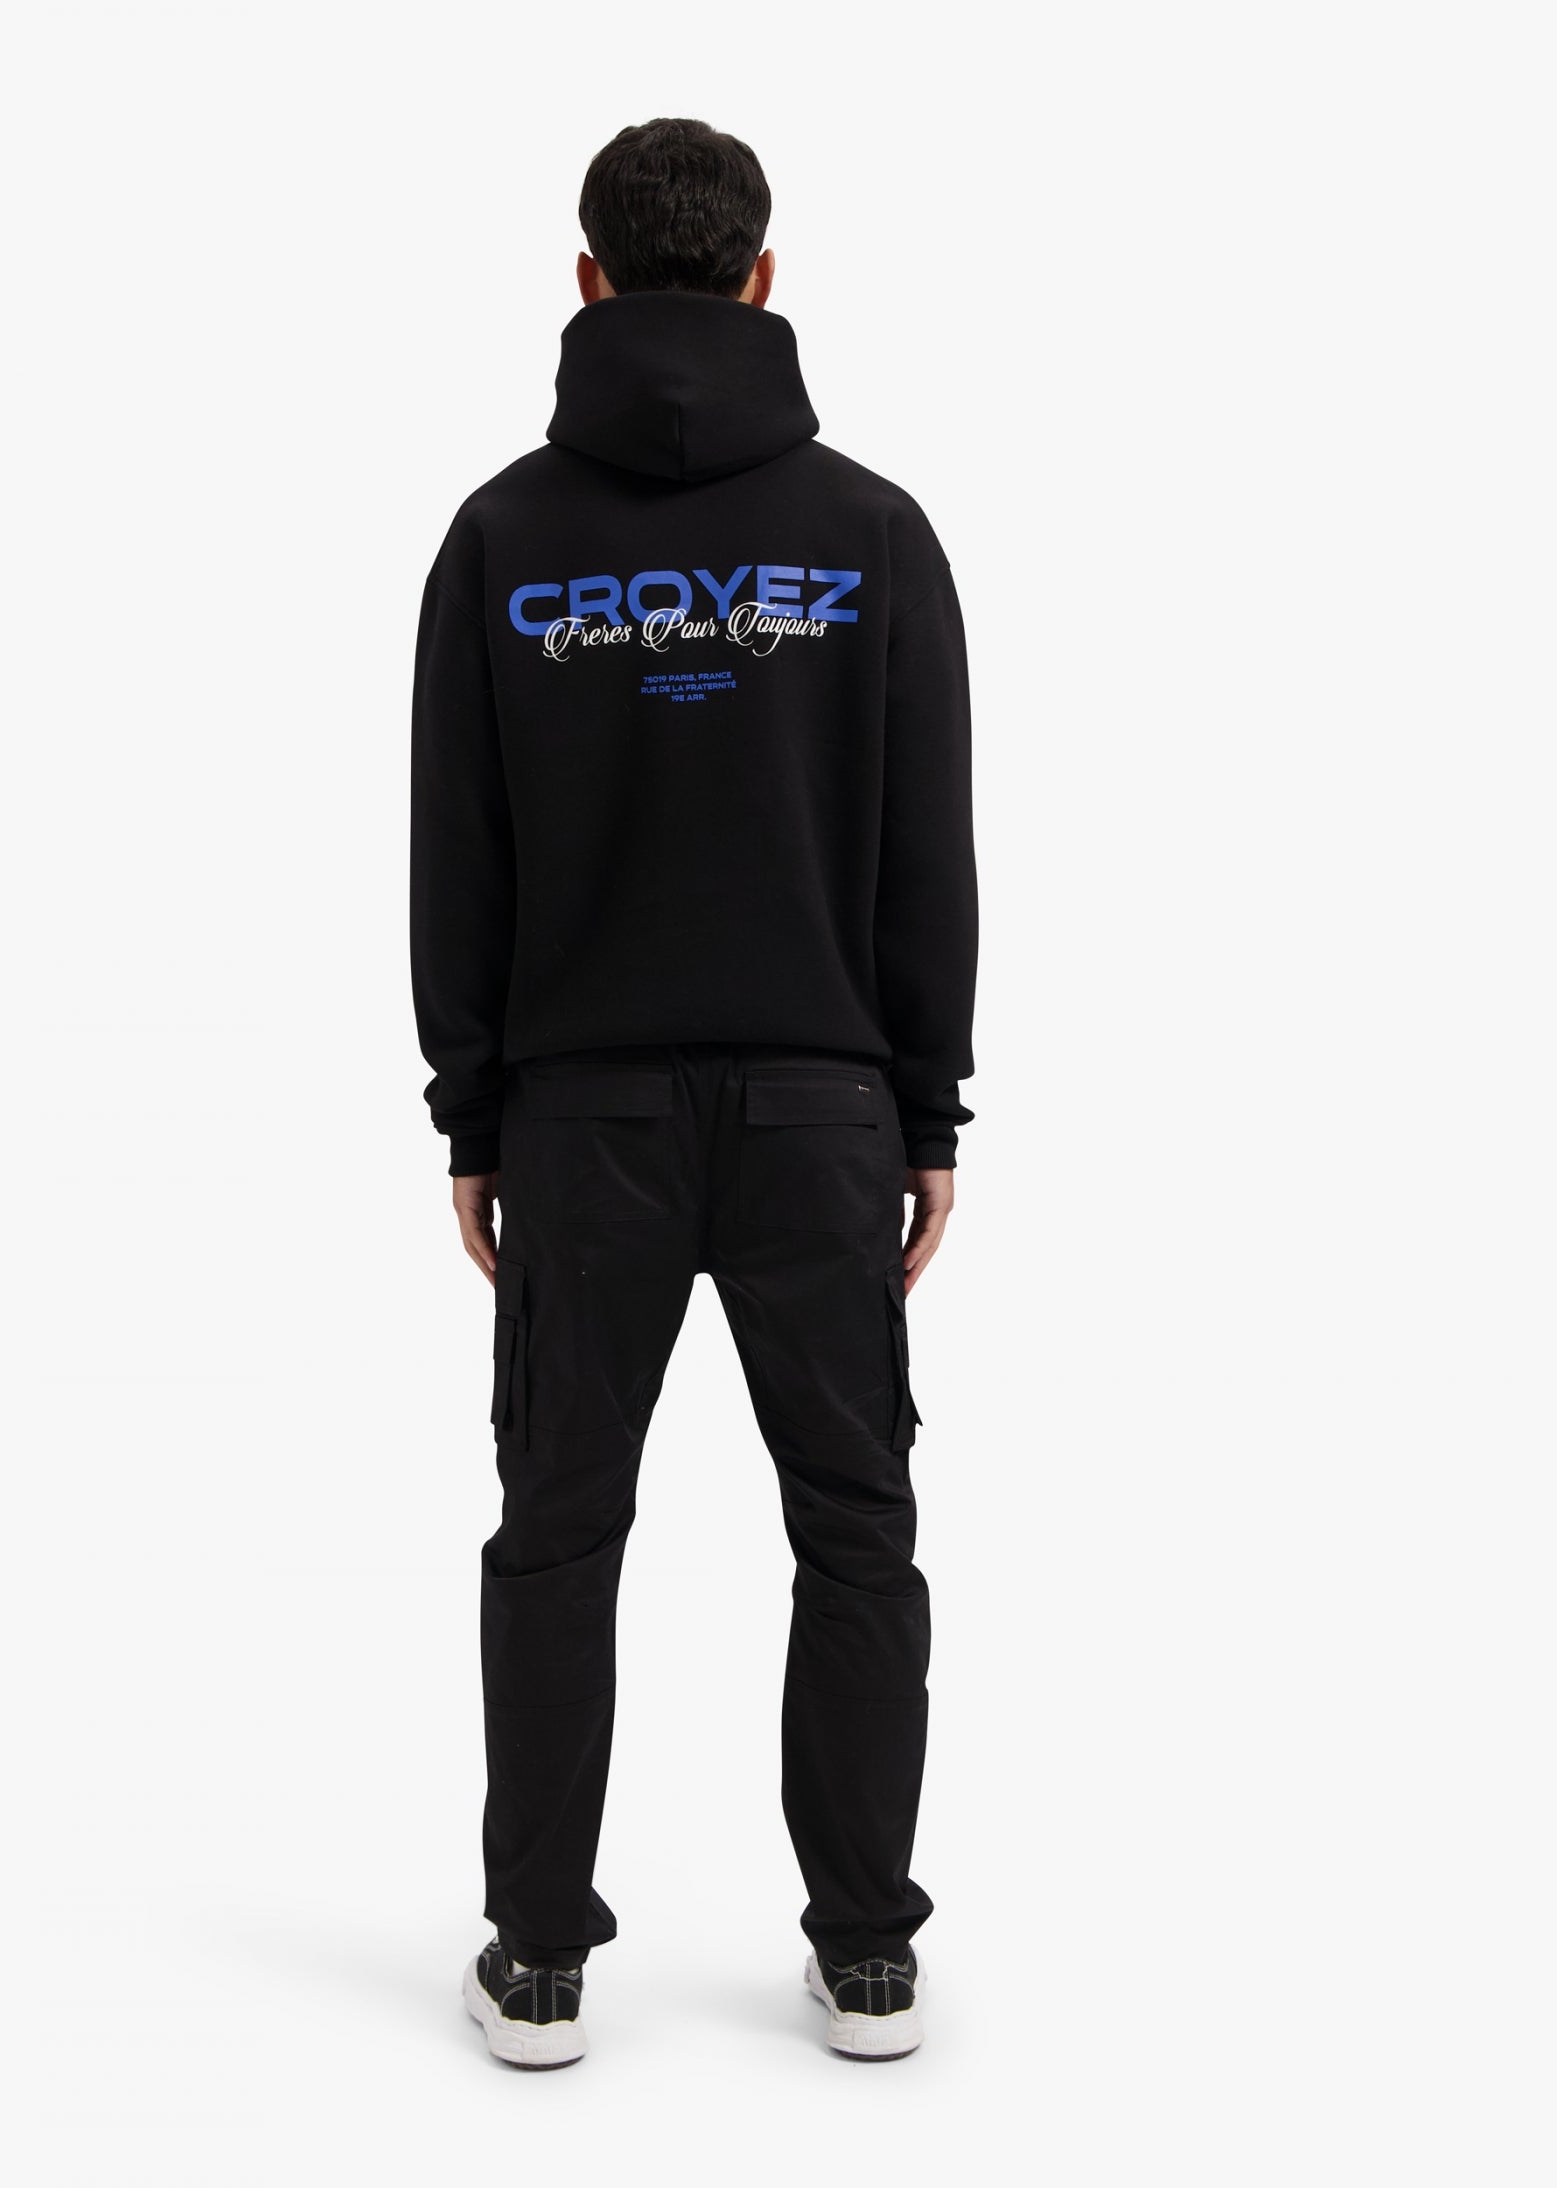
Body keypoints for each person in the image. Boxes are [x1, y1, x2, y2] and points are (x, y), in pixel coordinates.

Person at [410, 117, 977, 2069]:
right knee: (856, 1526)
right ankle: (869, 1955)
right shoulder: (872, 536)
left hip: (585, 1124)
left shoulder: (501, 540)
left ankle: (539, 1963)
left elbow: (457, 851)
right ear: (761, 274)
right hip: (823, 1113)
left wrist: (473, 1113)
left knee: (557, 1530)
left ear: (587, 281)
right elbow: (924, 849)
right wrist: (924, 1113)